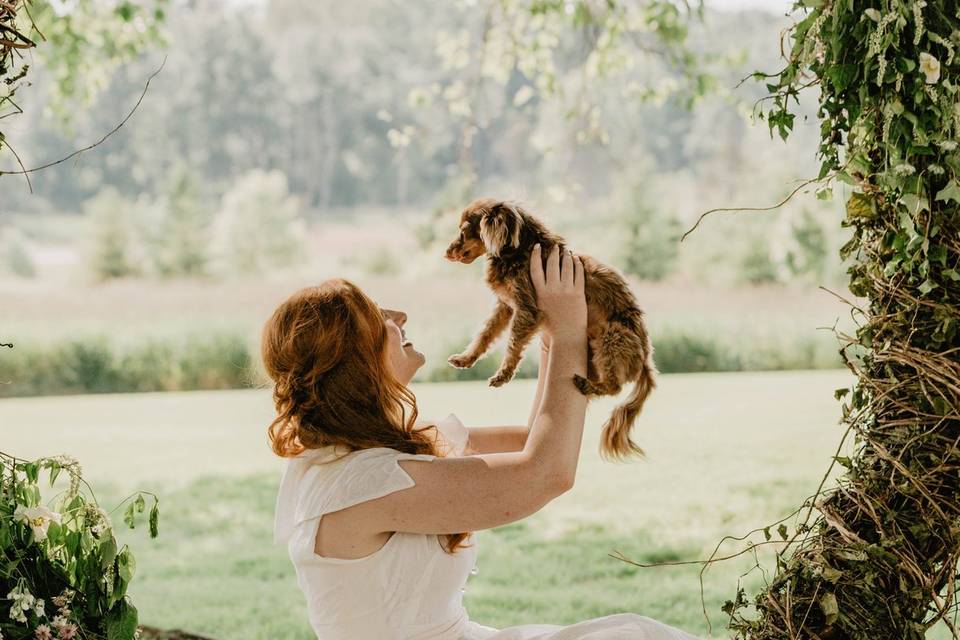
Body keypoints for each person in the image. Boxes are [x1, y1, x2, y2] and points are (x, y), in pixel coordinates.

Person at [266, 244, 699, 640]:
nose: (399, 315)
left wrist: (551, 331)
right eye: (379, 316)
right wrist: (568, 333)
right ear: (354, 359)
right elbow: (546, 474)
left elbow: (537, 439)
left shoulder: (378, 450)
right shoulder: (360, 480)